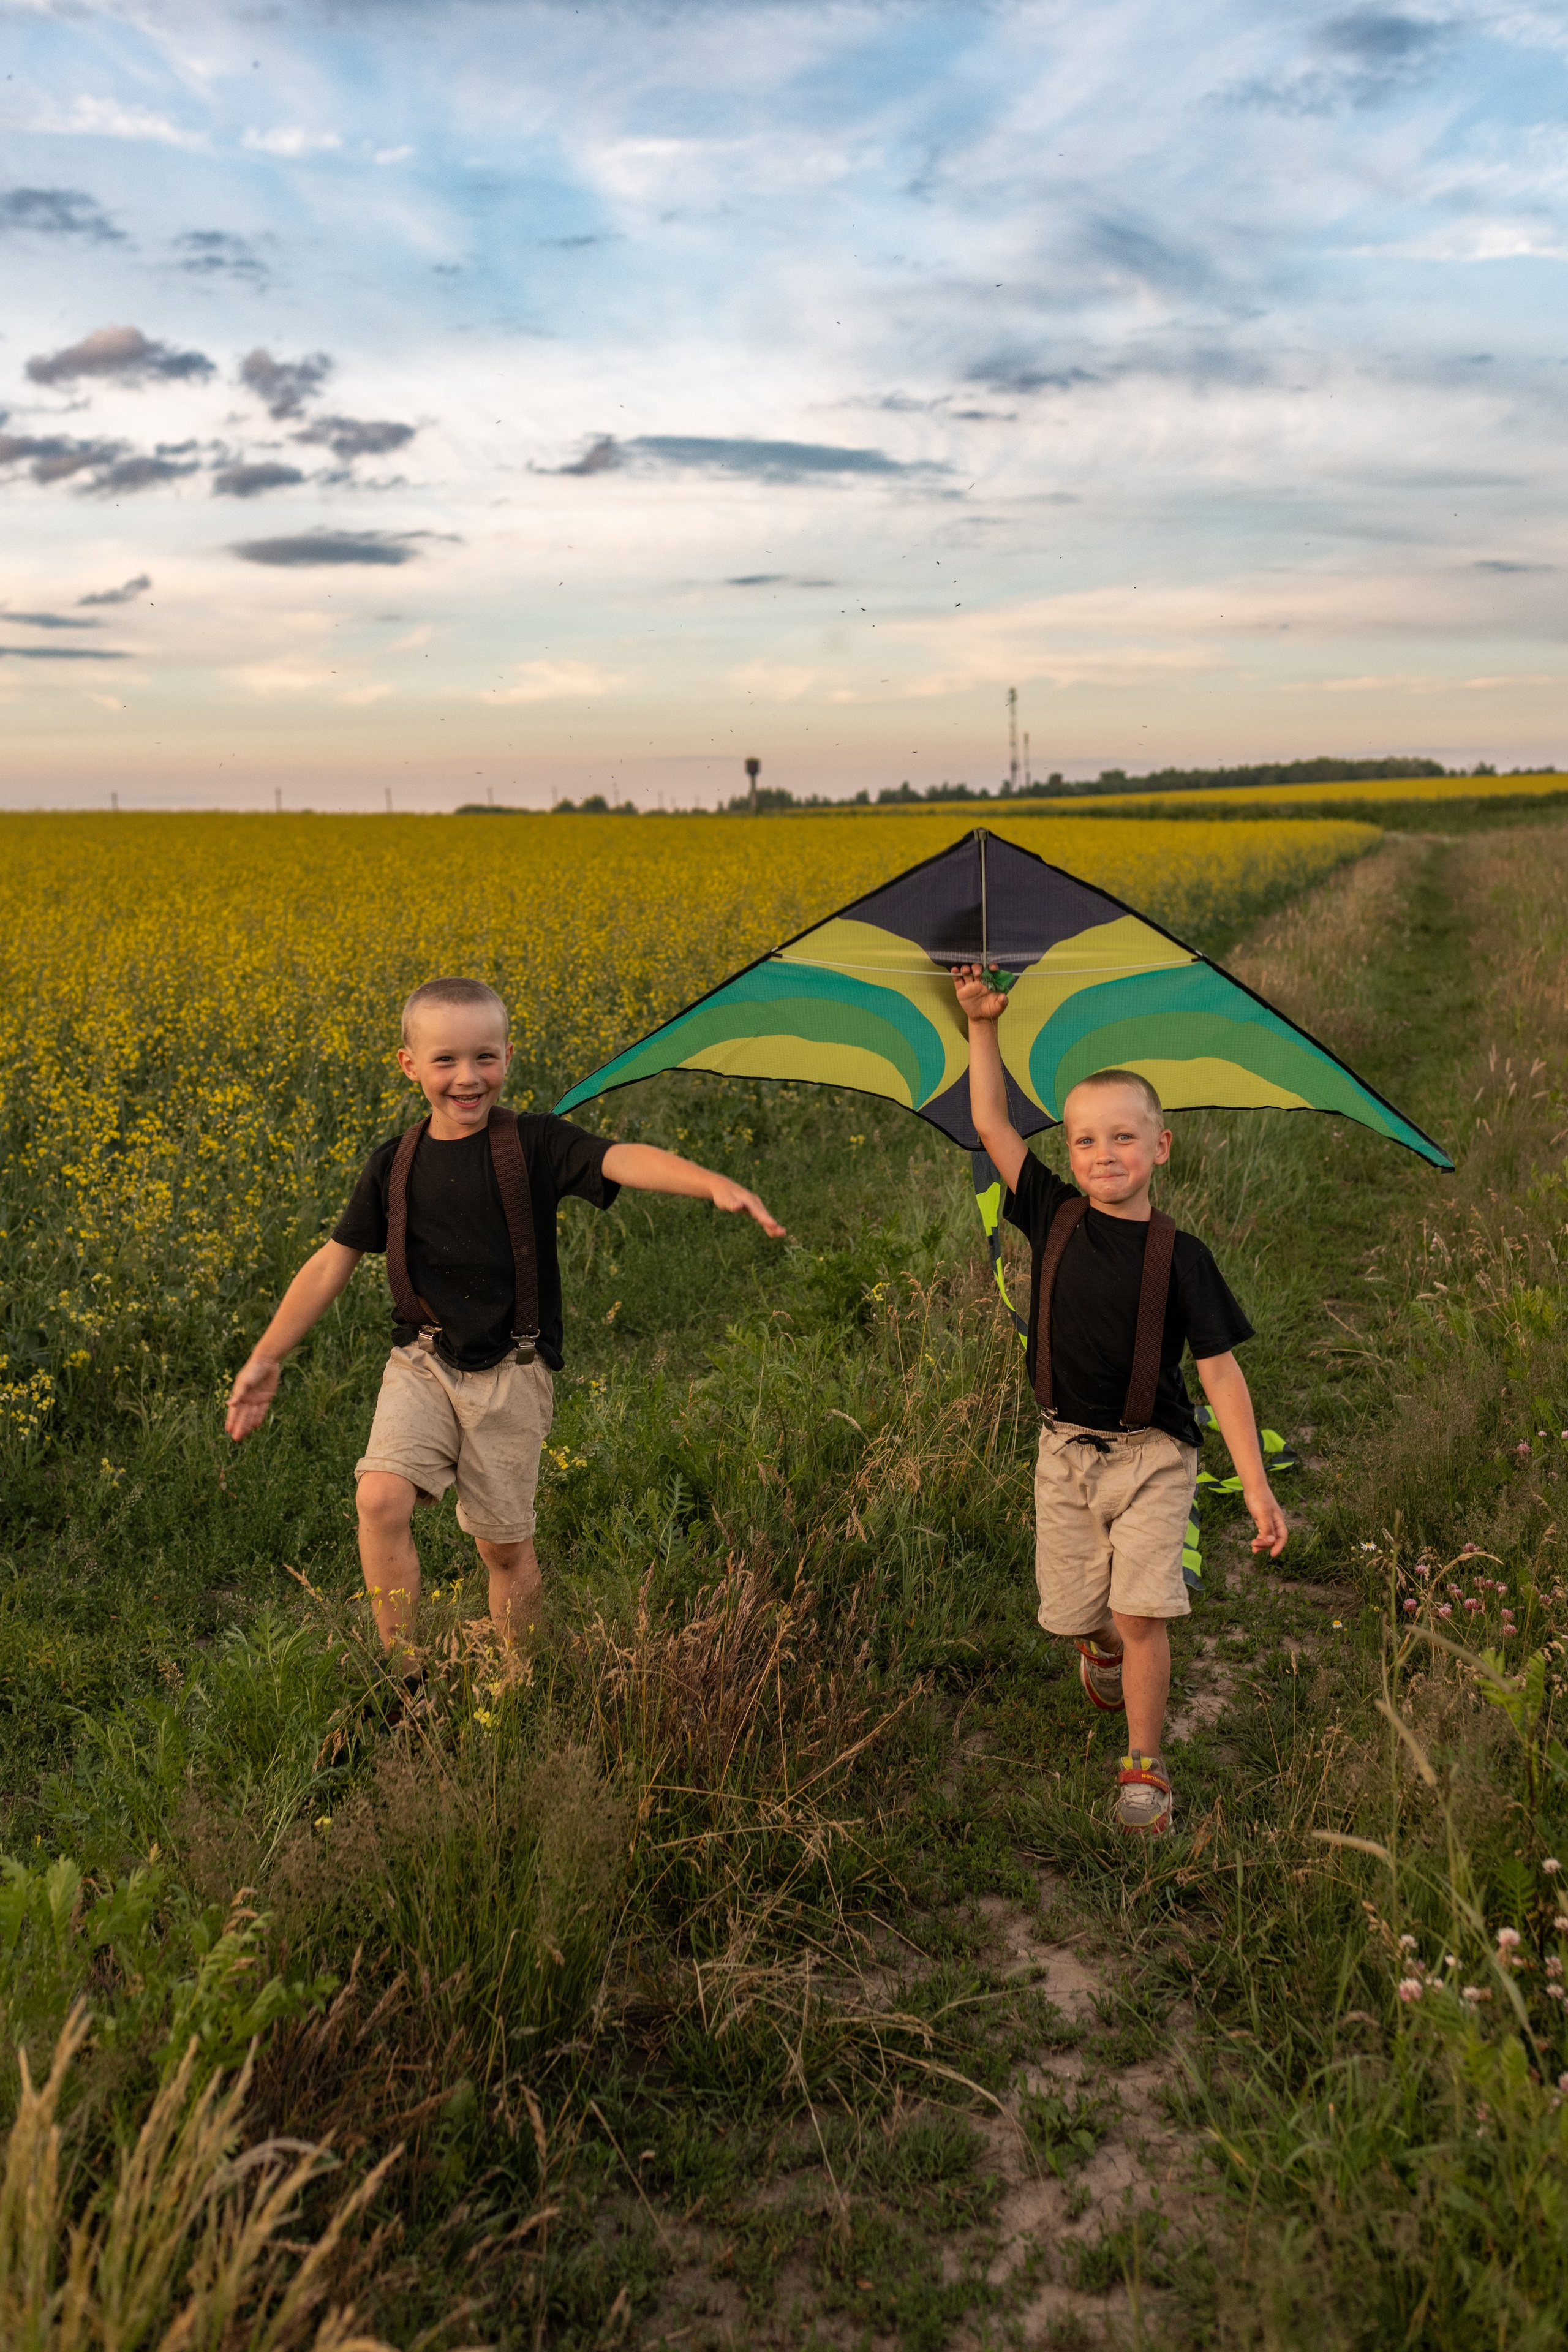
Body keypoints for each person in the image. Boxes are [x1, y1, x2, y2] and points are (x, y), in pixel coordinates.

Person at [225, 976, 784, 1696]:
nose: (468, 1078)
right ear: (409, 1065)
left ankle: (519, 1684)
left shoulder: (535, 1144)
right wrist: (266, 1358)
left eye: (485, 1058)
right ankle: (405, 1679)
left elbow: (619, 1157)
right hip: (422, 1358)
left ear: (509, 1057)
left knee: (501, 1547)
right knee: (378, 1499)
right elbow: (331, 1263)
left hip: (513, 1373)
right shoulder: (392, 1164)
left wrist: (707, 1182)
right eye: (446, 1060)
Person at [952, 964, 1287, 1834]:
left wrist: (1255, 1486)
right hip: (1062, 1450)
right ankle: (1096, 1646)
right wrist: (982, 1022)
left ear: (1161, 1148)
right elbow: (990, 1120)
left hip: (1153, 1455)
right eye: (1089, 1142)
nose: (1107, 1156)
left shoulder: (1184, 1257)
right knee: (1079, 1614)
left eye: (1126, 1139)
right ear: (1069, 1155)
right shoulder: (1054, 1213)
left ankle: (1146, 1765)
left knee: (1144, 1609)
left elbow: (1220, 1376)